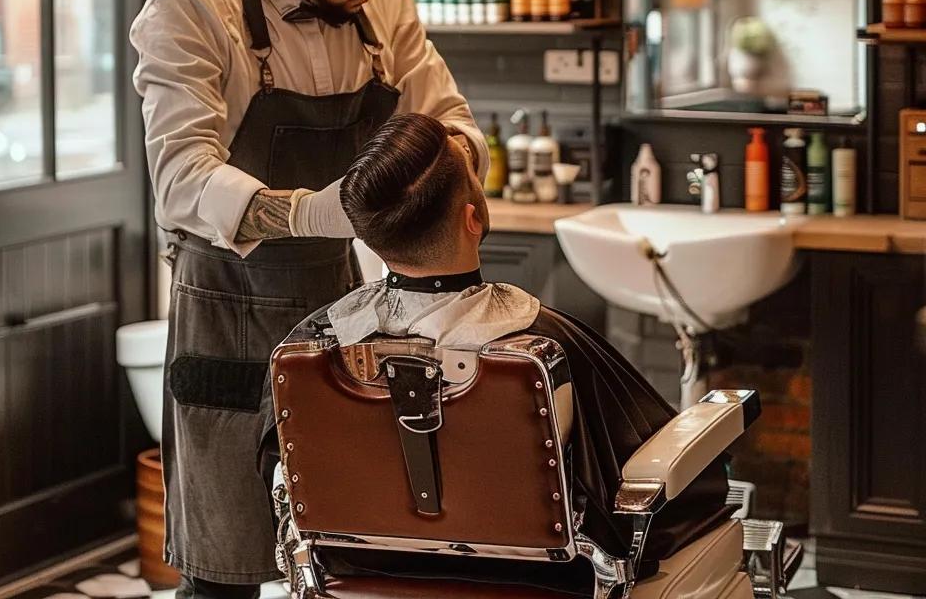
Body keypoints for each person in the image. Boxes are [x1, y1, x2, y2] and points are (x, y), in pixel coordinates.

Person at [129, 0, 487, 599]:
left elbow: (448, 114)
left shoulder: (380, 1)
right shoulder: (193, 7)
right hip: (223, 307)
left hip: (338, 310)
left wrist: (447, 167)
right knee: (222, 570)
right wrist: (314, 212)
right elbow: (182, 181)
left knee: (342, 552)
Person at [260, 113, 732, 593]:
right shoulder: (539, 344)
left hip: (366, 572)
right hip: (539, 580)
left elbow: (281, 467)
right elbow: (639, 472)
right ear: (475, 218)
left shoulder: (312, 349)